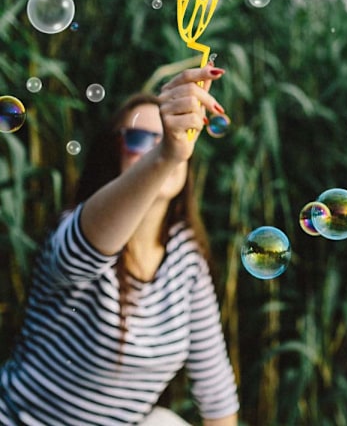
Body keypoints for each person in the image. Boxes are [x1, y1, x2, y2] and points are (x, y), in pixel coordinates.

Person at [0, 66, 239, 425]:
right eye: (140, 139)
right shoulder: (76, 228)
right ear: (113, 154)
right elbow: (86, 251)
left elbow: (216, 393)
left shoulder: (186, 259)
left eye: (175, 135)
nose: (162, 146)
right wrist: (165, 156)